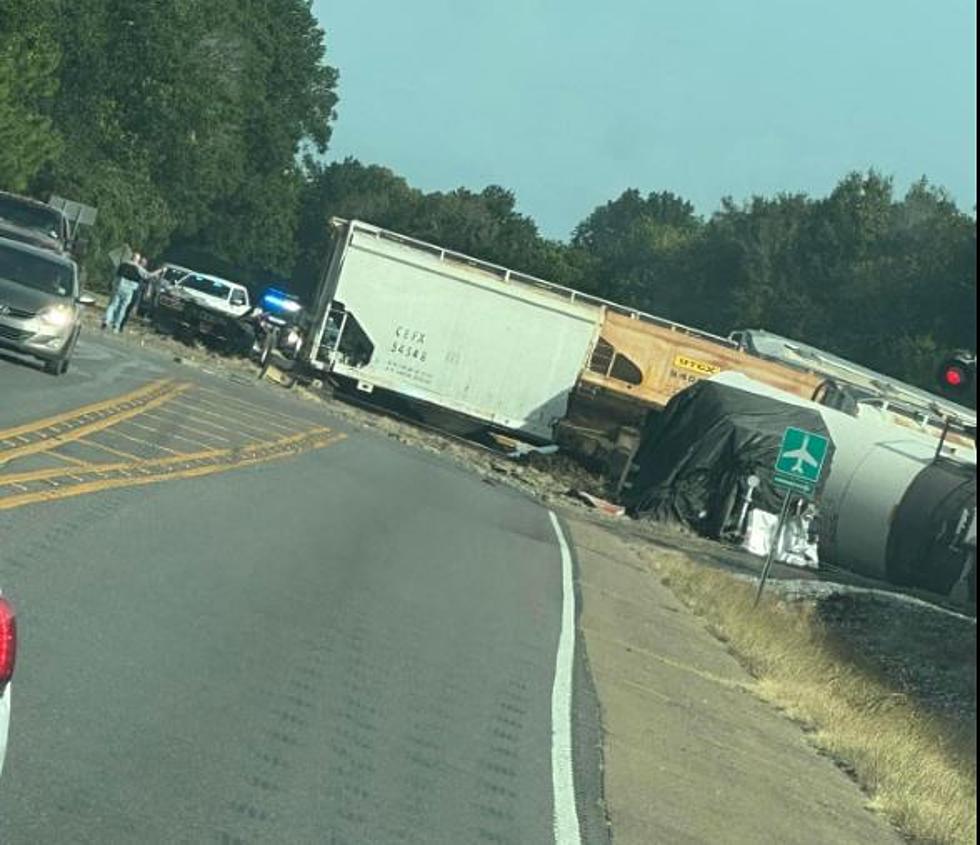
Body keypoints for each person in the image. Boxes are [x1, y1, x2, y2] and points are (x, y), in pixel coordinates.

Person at [103, 251, 145, 333]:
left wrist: (113, 283)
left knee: (112, 305)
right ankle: (116, 325)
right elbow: (148, 275)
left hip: (119, 287)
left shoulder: (123, 264)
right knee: (122, 308)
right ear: (137, 260)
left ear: (131, 257)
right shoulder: (138, 269)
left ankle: (106, 320)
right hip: (129, 291)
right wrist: (160, 270)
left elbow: (116, 274)